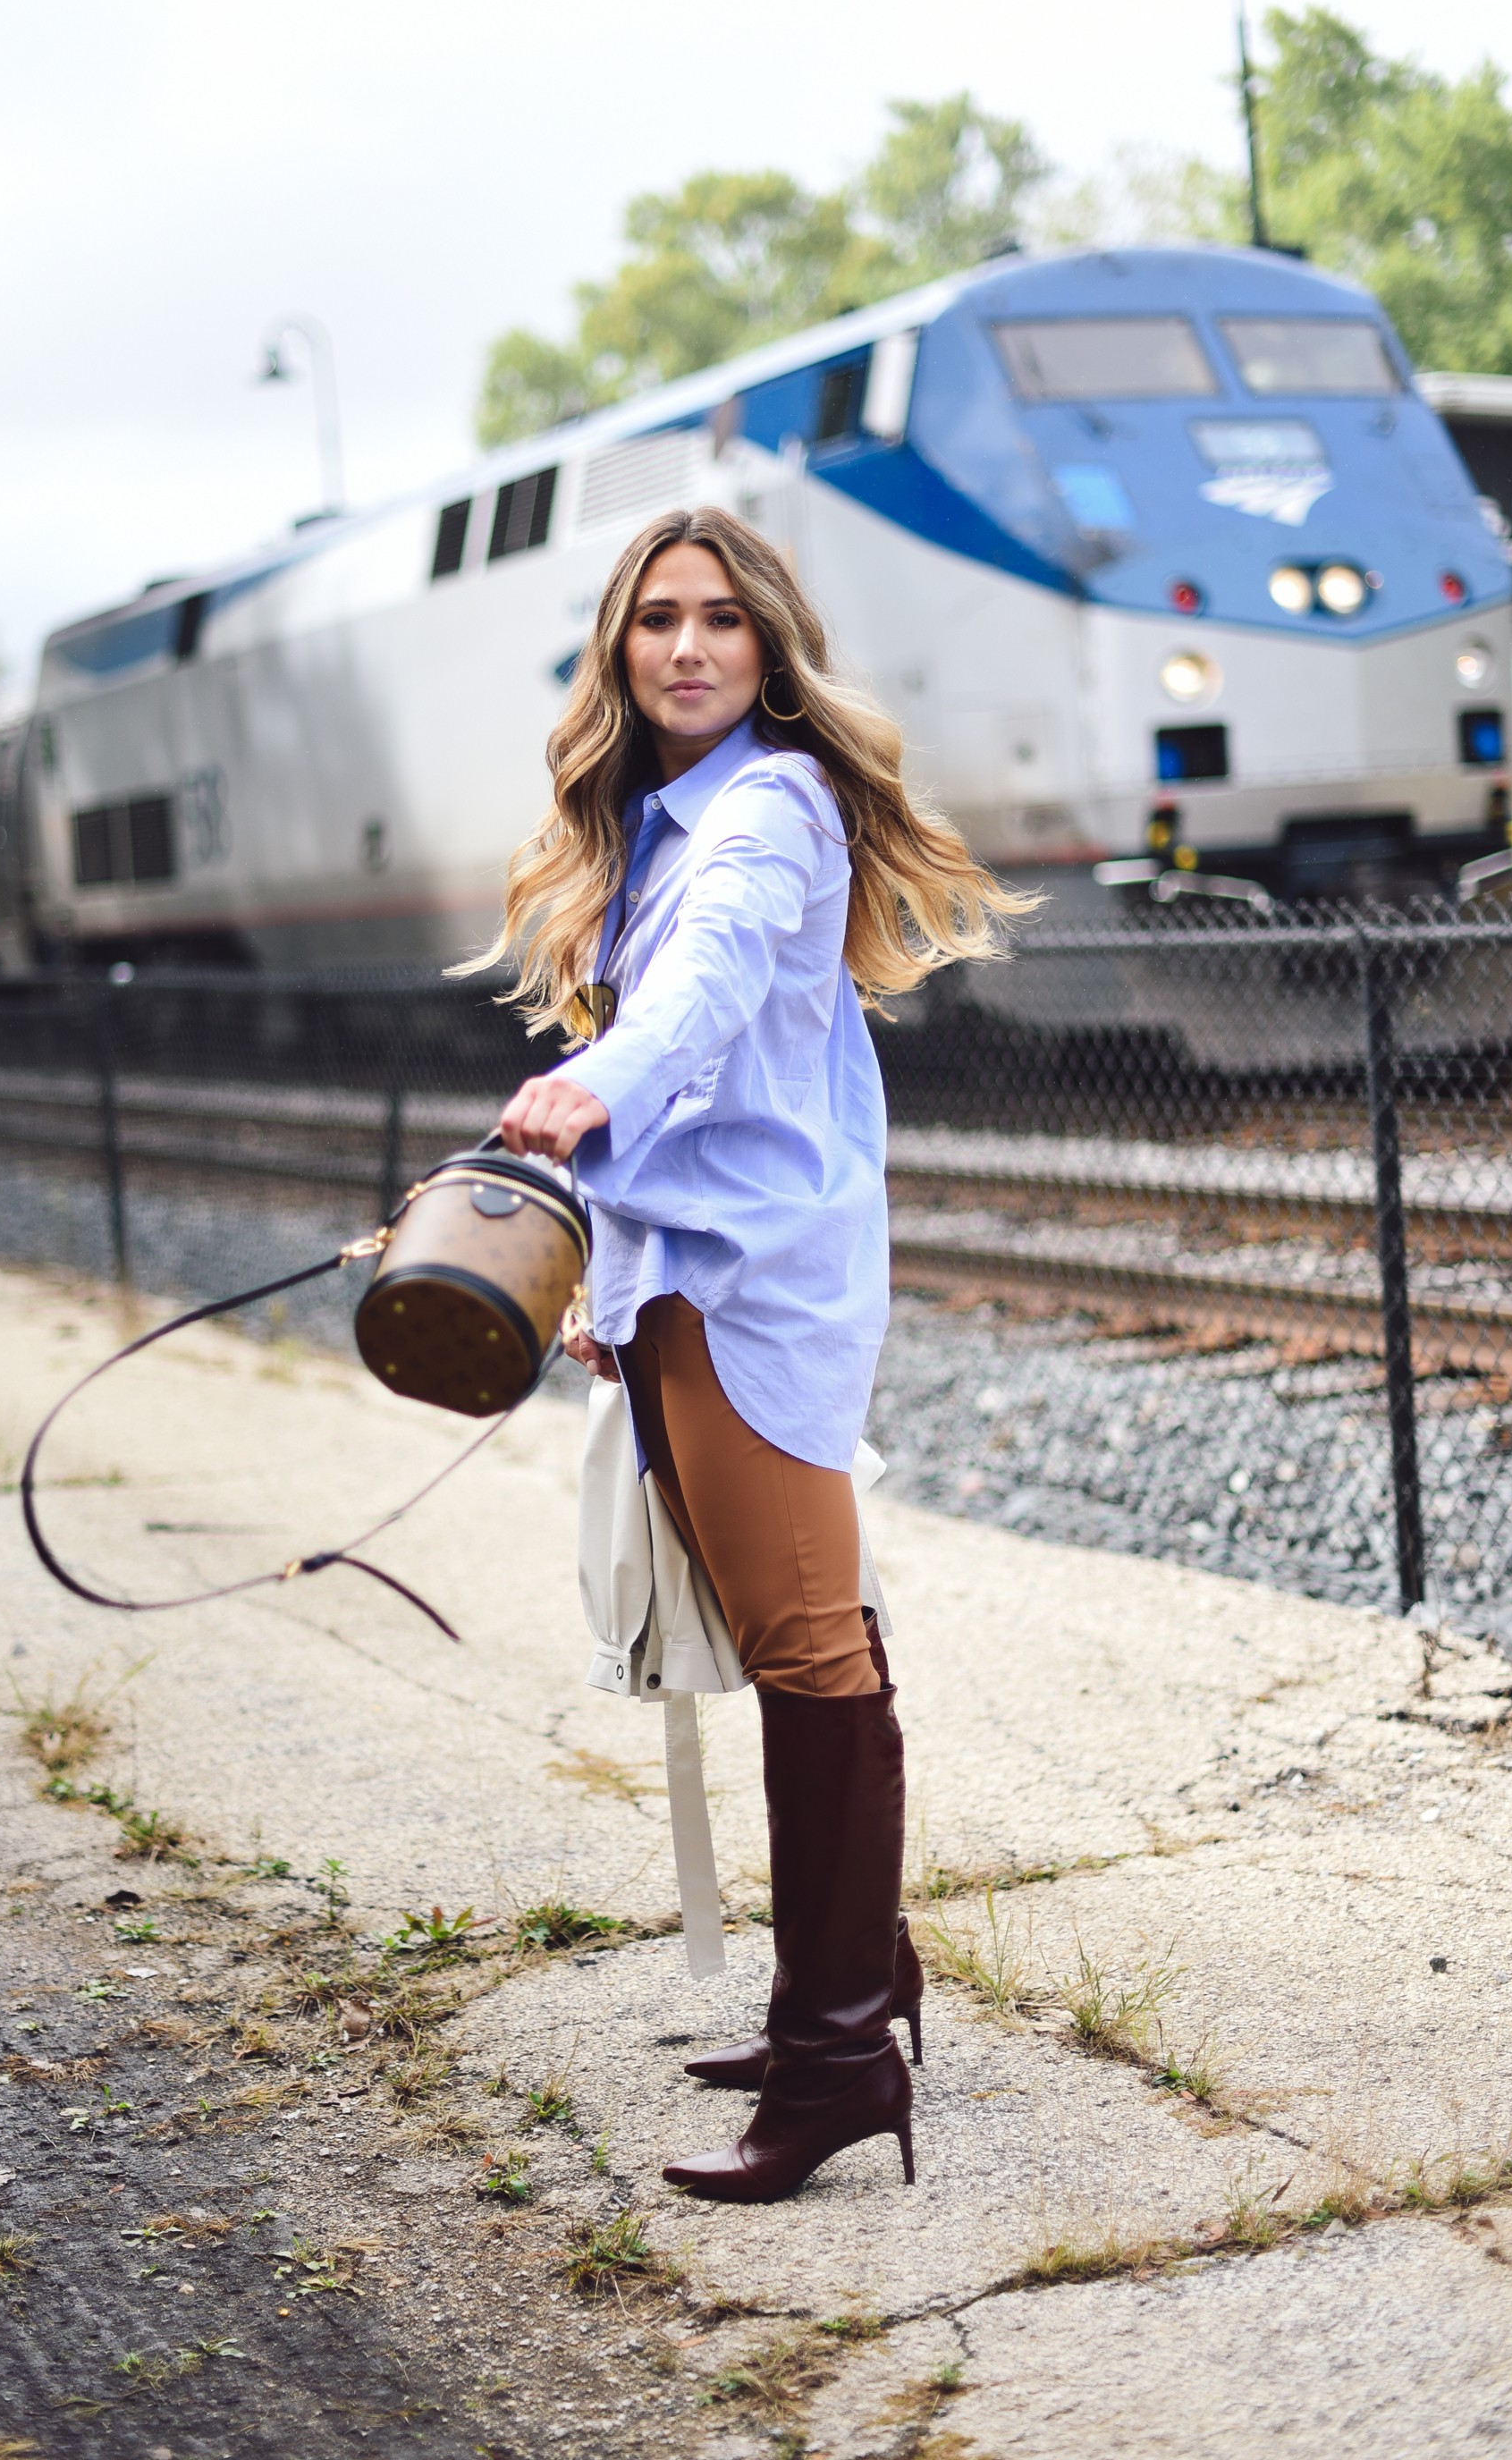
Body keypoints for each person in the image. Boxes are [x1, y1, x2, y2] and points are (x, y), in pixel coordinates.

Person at [486, 505, 1026, 2203]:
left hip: (760, 1296)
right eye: (659, 621)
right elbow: (698, 1068)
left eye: (724, 619)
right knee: (807, 1627)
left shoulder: (770, 808)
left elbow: (707, 995)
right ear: (620, 651)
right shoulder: (656, 825)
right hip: (683, 1287)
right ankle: (853, 1987)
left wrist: (593, 1086)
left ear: (767, 646)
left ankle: (839, 2056)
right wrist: (607, 1260)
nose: (693, 647)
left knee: (808, 1652)